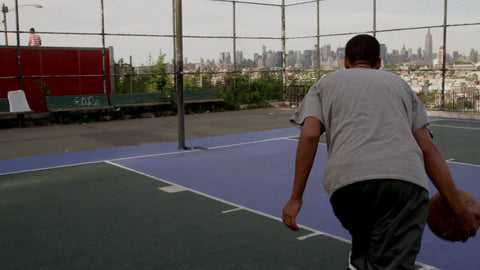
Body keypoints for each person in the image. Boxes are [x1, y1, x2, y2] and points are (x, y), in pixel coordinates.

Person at [282, 34, 480, 270]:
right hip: (403, 185)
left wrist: (295, 198)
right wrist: (458, 208)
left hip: (346, 188)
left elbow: (311, 135)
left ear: (346, 62)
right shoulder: (400, 85)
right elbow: (427, 148)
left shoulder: (324, 84)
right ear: (379, 63)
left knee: (364, 254)